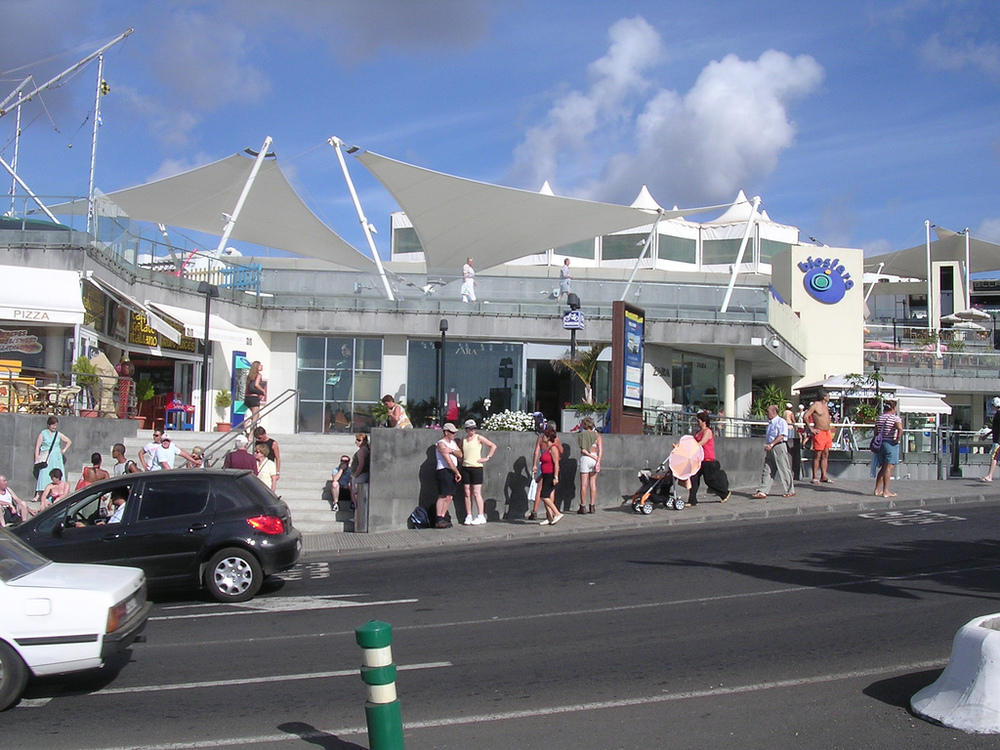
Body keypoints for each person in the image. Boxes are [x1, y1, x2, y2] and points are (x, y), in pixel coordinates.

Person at [688, 410, 731, 505]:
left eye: (698, 421)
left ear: (704, 422)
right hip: (699, 459)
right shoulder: (698, 432)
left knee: (709, 480)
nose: (697, 423)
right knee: (694, 478)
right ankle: (692, 500)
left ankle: (724, 493)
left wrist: (693, 447)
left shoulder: (707, 432)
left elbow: (702, 442)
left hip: (707, 459)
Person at [751, 405, 794, 499]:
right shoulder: (770, 423)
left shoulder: (781, 421)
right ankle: (763, 490)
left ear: (774, 412)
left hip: (778, 446)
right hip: (770, 447)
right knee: (768, 468)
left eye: (768, 411)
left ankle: (790, 490)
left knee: (783, 468)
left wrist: (772, 444)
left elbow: (782, 435)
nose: (766, 413)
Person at [460, 419, 497, 525]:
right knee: (467, 492)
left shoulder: (478, 437)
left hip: (477, 468)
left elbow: (493, 446)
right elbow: (459, 449)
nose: (472, 431)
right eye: (470, 429)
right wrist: (460, 458)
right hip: (466, 467)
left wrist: (487, 457)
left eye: (474, 429)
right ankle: (469, 515)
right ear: (466, 430)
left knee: (476, 492)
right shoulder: (464, 439)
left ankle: (480, 515)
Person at [526, 420, 564, 520]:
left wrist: (534, 465)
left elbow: (536, 452)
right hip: (549, 466)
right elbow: (561, 451)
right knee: (550, 491)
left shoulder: (540, 439)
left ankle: (535, 511)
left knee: (540, 489)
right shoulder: (556, 440)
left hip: (543, 464)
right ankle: (550, 513)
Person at [873, 399, 904, 497]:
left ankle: (877, 489)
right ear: (894, 408)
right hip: (890, 444)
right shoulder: (895, 418)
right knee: (889, 467)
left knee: (883, 467)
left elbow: (876, 431)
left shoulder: (880, 418)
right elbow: (900, 429)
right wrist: (897, 439)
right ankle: (886, 491)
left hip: (881, 444)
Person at [34, 416, 71, 499]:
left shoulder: (58, 434)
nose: (54, 427)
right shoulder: (43, 433)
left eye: (56, 425)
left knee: (57, 473)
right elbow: (37, 446)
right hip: (46, 457)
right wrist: (36, 458)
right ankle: (39, 493)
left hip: (56, 457)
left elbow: (68, 441)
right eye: (53, 425)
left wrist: (64, 450)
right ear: (48, 425)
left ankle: (60, 492)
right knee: (43, 474)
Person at [434, 424, 462, 528]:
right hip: (444, 471)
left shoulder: (453, 443)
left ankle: (443, 516)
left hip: (451, 471)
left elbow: (460, 454)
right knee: (443, 495)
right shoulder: (441, 444)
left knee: (449, 496)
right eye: (452, 432)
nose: (454, 434)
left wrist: (452, 451)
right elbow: (448, 461)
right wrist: (457, 472)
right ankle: (439, 518)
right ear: (446, 432)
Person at [804, 388, 835, 484]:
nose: (829, 397)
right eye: (828, 395)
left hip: (827, 432)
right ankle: (814, 476)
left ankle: (824, 476)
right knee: (818, 454)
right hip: (819, 432)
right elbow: (805, 416)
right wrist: (811, 429)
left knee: (826, 454)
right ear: (824, 396)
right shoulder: (816, 405)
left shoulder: (825, 406)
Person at [537, 427, 563, 526]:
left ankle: (557, 513)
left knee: (544, 495)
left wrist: (555, 477)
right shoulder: (547, 448)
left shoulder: (553, 448)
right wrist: (540, 477)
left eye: (544, 435)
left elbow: (556, 463)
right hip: (546, 474)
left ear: (548, 437)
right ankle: (549, 517)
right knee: (544, 495)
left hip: (551, 474)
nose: (542, 437)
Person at [576, 416, 602, 514]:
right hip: (595, 458)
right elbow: (601, 450)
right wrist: (598, 460)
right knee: (593, 484)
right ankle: (592, 505)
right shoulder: (597, 435)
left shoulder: (582, 435)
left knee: (584, 484)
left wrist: (591, 456)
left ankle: (583, 506)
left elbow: (583, 450)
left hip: (586, 458)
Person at [350, 433, 370, 518]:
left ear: (364, 441)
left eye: (359, 440)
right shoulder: (365, 450)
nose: (357, 442)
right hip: (362, 475)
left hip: (360, 476)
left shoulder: (362, 451)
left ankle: (357, 516)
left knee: (356, 496)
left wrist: (355, 476)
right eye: (356, 440)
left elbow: (361, 465)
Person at [982, 396, 1000, 482]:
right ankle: (989, 476)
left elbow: (996, 429)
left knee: (994, 457)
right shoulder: (997, 414)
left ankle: (990, 476)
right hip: (997, 440)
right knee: (995, 457)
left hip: (998, 440)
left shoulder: (998, 414)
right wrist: (987, 435)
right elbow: (995, 428)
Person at [243, 361, 265, 433]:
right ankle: (251, 435)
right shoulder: (258, 375)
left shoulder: (249, 376)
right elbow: (256, 385)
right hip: (254, 398)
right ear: (257, 367)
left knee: (256, 415)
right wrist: (263, 391)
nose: (261, 366)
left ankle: (247, 421)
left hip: (247, 398)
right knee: (255, 417)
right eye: (260, 365)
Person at [783, 402, 802, 481]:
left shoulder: (784, 412)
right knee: (791, 438)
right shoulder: (790, 413)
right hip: (790, 426)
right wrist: (795, 424)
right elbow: (793, 420)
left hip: (785, 426)